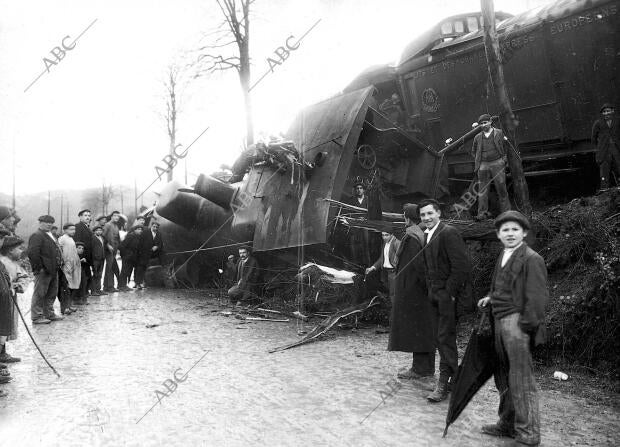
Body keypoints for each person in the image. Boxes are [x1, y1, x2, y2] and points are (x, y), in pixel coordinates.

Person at [478, 211, 548, 447]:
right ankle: (506, 424)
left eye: (514, 229)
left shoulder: (532, 258)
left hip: (517, 325)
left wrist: (524, 328)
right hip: (499, 321)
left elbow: (537, 299)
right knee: (504, 377)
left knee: (521, 380)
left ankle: (528, 433)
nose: (510, 233)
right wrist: (490, 298)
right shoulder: (503, 255)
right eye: (505, 230)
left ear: (524, 233)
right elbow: (503, 286)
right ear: (498, 234)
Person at [419, 199, 470, 402]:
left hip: (447, 297)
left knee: (445, 339)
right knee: (441, 339)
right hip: (434, 295)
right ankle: (453, 381)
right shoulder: (426, 234)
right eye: (423, 215)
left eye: (430, 213)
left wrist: (448, 293)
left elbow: (461, 267)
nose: (426, 218)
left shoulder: (449, 232)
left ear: (438, 213)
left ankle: (446, 383)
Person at [387, 203, 435, 383]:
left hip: (415, 291)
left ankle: (420, 369)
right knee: (425, 328)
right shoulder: (424, 232)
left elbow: (416, 267)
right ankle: (427, 368)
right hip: (423, 289)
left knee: (418, 329)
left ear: (406, 218)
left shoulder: (411, 236)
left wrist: (420, 288)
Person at [471, 114, 511, 220]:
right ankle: (482, 214)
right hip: (483, 165)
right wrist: (479, 162)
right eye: (481, 124)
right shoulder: (477, 137)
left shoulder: (499, 133)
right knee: (483, 190)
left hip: (497, 163)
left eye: (485, 122)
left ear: (490, 122)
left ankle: (507, 213)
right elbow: (474, 151)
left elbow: (506, 146)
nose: (483, 125)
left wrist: (503, 160)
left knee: (501, 188)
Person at [28, 215, 63, 324]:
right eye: (46, 222)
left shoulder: (51, 235)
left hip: (53, 269)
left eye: (51, 222)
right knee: (40, 293)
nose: (49, 224)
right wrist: (39, 268)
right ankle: (37, 316)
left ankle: (49, 313)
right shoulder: (36, 235)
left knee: (51, 293)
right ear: (40, 223)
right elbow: (33, 253)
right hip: (43, 270)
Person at [0, 235, 27, 363]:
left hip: (10, 297)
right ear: (10, 250)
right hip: (4, 299)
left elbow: (23, 276)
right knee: (3, 324)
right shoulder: (3, 262)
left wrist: (19, 284)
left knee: (6, 324)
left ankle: (2, 352)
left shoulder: (14, 263)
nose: (21, 251)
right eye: (19, 248)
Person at [365, 229, 401, 300]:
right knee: (390, 292)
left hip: (394, 272)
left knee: (394, 294)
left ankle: (394, 310)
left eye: (386, 235)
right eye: (383, 235)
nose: (384, 237)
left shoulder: (397, 243)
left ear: (392, 234)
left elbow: (401, 258)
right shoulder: (385, 243)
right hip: (386, 272)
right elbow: (382, 258)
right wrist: (372, 268)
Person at [592, 103, 620, 190]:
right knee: (604, 171)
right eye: (604, 112)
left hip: (616, 149)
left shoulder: (617, 121)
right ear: (602, 113)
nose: (606, 113)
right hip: (604, 151)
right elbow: (593, 138)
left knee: (618, 167)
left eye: (608, 111)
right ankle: (605, 190)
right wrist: (601, 147)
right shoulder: (598, 123)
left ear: (612, 111)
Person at [135, 221, 164, 289]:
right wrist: (140, 252)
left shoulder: (159, 234)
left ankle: (145, 283)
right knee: (141, 268)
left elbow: (161, 244)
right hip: (144, 253)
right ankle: (138, 283)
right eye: (154, 226)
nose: (155, 228)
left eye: (157, 227)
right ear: (151, 226)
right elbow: (140, 243)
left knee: (147, 268)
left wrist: (157, 247)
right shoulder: (145, 232)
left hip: (153, 255)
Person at [58, 223, 81, 310]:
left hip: (73, 264)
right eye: (71, 229)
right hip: (65, 264)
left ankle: (69, 305)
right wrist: (62, 262)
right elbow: (59, 251)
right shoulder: (62, 239)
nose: (73, 231)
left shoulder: (71, 239)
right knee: (65, 287)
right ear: (65, 230)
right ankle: (64, 307)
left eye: (74, 229)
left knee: (72, 286)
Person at [74, 209, 93, 299]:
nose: (88, 217)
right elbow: (77, 243)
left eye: (89, 215)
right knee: (82, 277)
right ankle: (79, 296)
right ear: (80, 217)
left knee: (86, 276)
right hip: (82, 257)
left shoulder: (87, 227)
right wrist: (81, 257)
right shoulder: (78, 227)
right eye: (85, 215)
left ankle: (83, 294)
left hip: (87, 257)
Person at [119, 225, 143, 291]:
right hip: (127, 257)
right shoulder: (130, 236)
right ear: (134, 230)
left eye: (141, 229)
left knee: (128, 271)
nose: (140, 230)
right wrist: (126, 255)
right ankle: (121, 286)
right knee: (124, 271)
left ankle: (124, 285)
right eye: (138, 229)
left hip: (132, 258)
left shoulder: (138, 237)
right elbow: (121, 246)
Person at [103, 211, 121, 293]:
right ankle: (109, 287)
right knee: (110, 267)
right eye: (115, 216)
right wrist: (107, 245)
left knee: (110, 267)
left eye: (118, 216)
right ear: (111, 216)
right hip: (109, 249)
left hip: (114, 249)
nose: (117, 217)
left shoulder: (116, 226)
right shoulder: (107, 225)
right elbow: (102, 236)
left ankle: (106, 286)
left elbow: (117, 238)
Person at [91, 225, 107, 296]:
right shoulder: (93, 238)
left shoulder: (102, 238)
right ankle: (93, 290)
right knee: (95, 274)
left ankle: (98, 289)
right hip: (95, 259)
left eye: (100, 230)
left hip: (102, 258)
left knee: (100, 274)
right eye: (97, 230)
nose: (99, 232)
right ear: (94, 231)